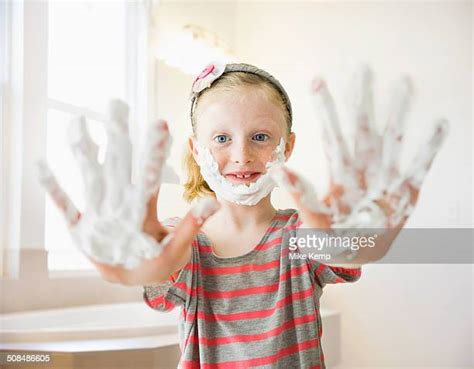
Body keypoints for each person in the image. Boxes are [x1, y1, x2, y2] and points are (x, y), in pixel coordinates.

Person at [39, 62, 448, 368]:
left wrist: (356, 241)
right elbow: (160, 269)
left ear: (287, 147)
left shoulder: (300, 237)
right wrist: (136, 270)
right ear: (197, 150)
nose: (241, 154)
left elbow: (339, 251)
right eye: (221, 138)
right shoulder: (183, 243)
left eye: (260, 137)